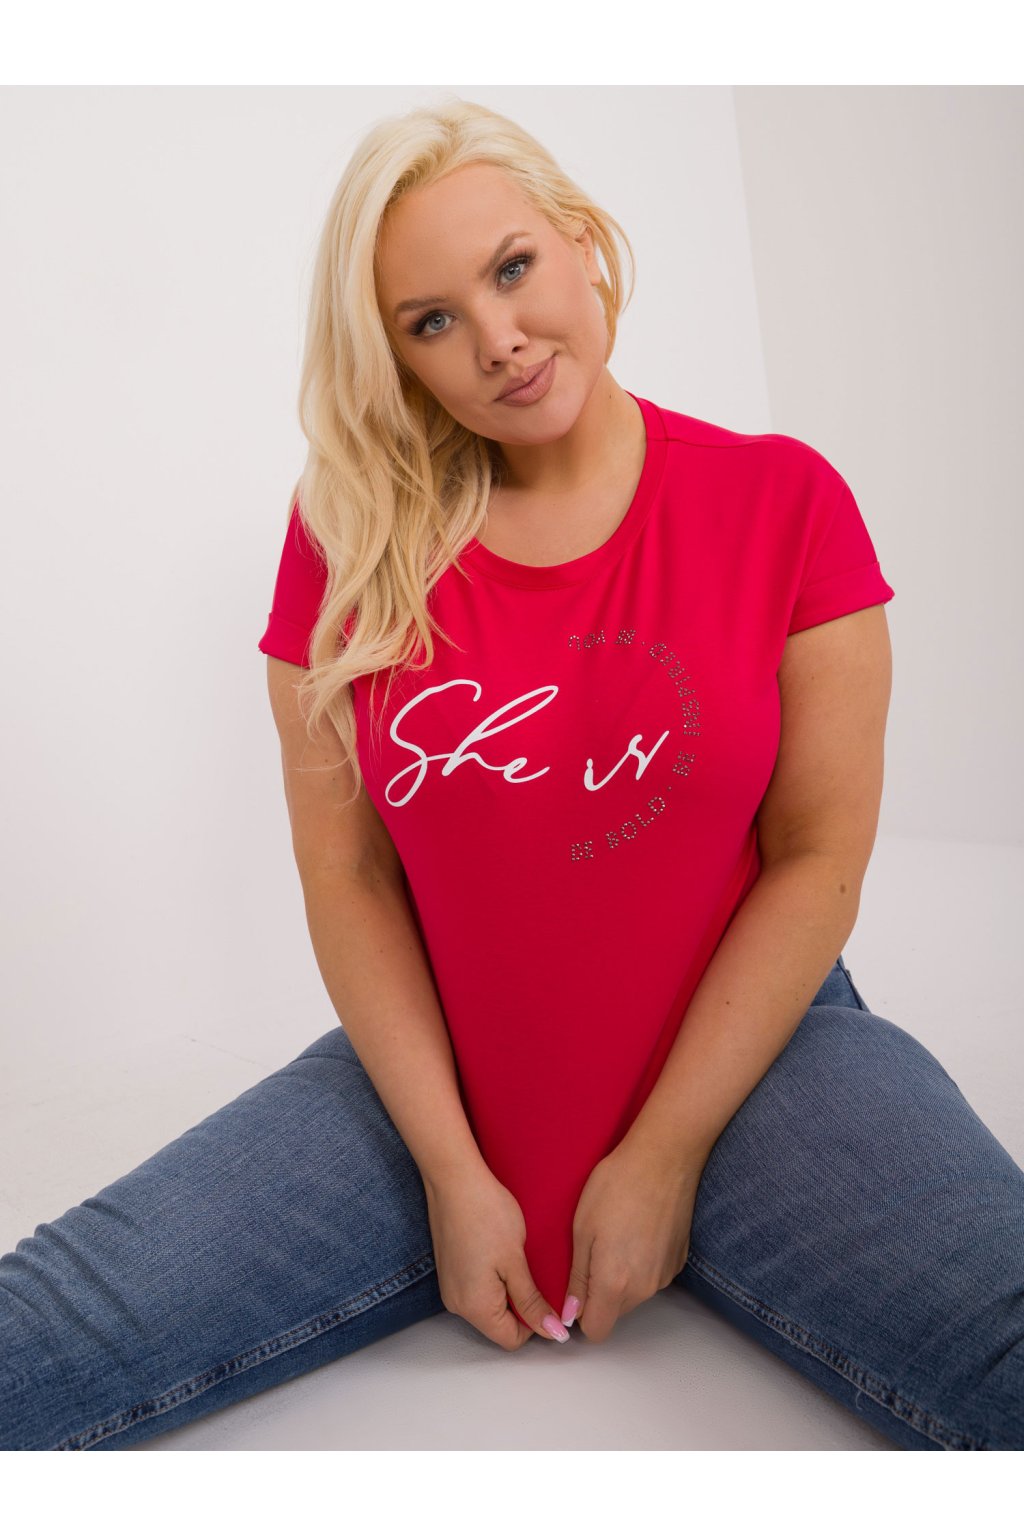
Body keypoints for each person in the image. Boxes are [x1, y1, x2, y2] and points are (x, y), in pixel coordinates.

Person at [1, 97, 1021, 1454]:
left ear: (583, 244)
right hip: (444, 1075)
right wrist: (448, 1167)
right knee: (38, 1341)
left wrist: (662, 1157)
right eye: (432, 320)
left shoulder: (784, 502)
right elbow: (348, 875)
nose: (497, 339)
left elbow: (817, 855)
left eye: (514, 267)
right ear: (398, 359)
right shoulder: (351, 544)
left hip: (763, 1063)